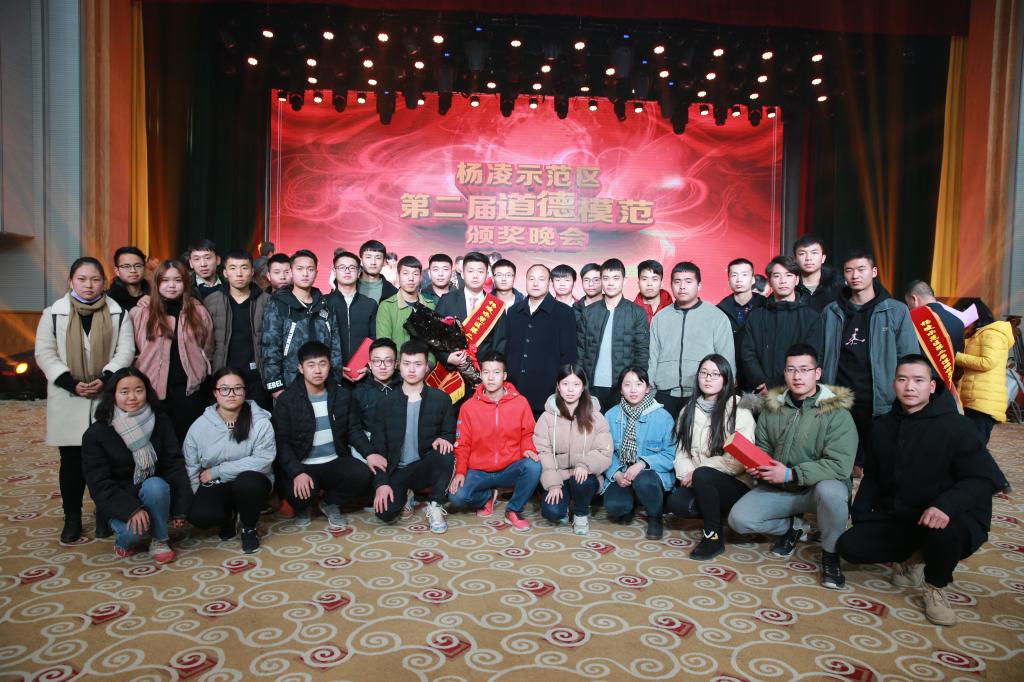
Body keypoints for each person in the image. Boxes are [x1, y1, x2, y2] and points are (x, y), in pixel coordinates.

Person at [837, 355, 997, 625]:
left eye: (918, 380)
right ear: (894, 384)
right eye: (903, 379)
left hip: (952, 518)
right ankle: (915, 558)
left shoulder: (958, 426)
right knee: (850, 546)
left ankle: (936, 585)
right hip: (903, 515)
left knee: (941, 532)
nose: (910, 387)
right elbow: (873, 477)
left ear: (932, 387)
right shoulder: (883, 426)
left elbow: (984, 479)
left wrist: (946, 505)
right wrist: (860, 517)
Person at [728, 344, 857, 590]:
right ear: (784, 373)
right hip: (782, 488)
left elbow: (840, 465)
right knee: (739, 520)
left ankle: (831, 554)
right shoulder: (773, 407)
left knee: (832, 492)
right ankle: (795, 527)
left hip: (816, 490)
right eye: (791, 370)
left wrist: (791, 473)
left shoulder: (836, 412)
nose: (797, 376)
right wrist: (758, 466)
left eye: (804, 370)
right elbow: (764, 447)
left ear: (817, 373)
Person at [35, 257, 136, 543]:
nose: (89, 285)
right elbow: (44, 353)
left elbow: (125, 351)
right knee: (72, 461)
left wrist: (105, 378)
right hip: (68, 395)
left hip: (106, 395)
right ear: (71, 281)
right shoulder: (53, 314)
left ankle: (105, 512)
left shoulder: (118, 313)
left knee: (109, 459)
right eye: (82, 279)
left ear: (103, 282)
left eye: (94, 279)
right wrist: (70, 382)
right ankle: (72, 517)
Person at [821, 250, 917, 474]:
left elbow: (909, 356)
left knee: (882, 466)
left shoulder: (896, 310)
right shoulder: (831, 311)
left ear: (873, 272)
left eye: (861, 269)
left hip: (879, 397)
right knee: (841, 465)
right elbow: (822, 353)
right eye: (849, 270)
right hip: (840, 395)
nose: (855, 275)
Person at [82, 368, 192, 563]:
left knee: (156, 484)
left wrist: (180, 508)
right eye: (124, 392)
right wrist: (131, 510)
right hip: (120, 499)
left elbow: (174, 464)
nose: (132, 397)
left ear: (147, 392)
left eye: (139, 390)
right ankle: (123, 540)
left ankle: (160, 540)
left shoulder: (160, 421)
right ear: (113, 395)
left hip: (153, 492)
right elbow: (99, 484)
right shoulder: (96, 433)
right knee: (134, 533)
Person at [666, 354, 758, 560]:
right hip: (700, 480)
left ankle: (713, 537)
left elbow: (738, 461)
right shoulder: (688, 410)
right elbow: (681, 451)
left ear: (726, 379)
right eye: (704, 373)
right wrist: (688, 473)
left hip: (735, 483)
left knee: (704, 475)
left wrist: (700, 471)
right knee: (677, 502)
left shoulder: (739, 409)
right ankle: (716, 512)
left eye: (715, 374)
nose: (708, 378)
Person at [271, 341, 371, 528]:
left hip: (333, 461)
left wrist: (370, 453)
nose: (317, 370)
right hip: (303, 465)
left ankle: (330, 502)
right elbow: (281, 442)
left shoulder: (342, 395)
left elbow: (353, 430)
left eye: (322, 364)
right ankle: (305, 506)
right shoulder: (287, 400)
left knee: (363, 474)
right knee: (298, 495)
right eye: (311, 365)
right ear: (301, 368)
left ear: (329, 365)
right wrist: (297, 472)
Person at [367, 340, 456, 532]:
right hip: (397, 470)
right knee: (385, 513)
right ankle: (407, 494)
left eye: (418, 364)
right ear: (399, 366)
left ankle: (435, 505)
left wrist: (444, 439)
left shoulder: (441, 399)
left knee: (446, 453)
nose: (412, 370)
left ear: (426, 367)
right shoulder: (385, 403)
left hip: (424, 466)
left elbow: (449, 433)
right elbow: (378, 447)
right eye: (407, 364)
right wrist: (382, 483)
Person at [183, 368, 275, 554]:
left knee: (247, 483)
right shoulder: (199, 426)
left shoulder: (260, 422)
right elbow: (191, 465)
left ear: (245, 391)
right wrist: (195, 498)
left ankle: (249, 528)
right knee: (200, 516)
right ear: (215, 393)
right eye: (224, 389)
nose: (231, 394)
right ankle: (229, 517)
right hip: (217, 484)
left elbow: (262, 461)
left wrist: (217, 471)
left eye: (237, 388)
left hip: (252, 481)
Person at [448, 351, 542, 531]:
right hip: (479, 471)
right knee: (456, 497)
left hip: (509, 468)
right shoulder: (468, 407)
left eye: (496, 372)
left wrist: (527, 449)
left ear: (504, 376)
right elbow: (463, 443)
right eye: (486, 372)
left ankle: (513, 510)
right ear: (481, 374)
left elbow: (528, 433)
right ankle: (487, 496)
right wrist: (460, 471)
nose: (491, 378)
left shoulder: (520, 402)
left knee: (534, 466)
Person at [131, 259, 214, 445]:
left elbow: (207, 346)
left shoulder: (198, 311)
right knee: (156, 442)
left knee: (187, 441)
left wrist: (202, 370)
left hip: (189, 389)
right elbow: (133, 349)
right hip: (152, 389)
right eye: (165, 280)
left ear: (185, 283)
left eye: (177, 280)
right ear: (157, 283)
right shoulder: (142, 312)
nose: (171, 285)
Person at [648, 262, 735, 419]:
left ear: (699, 285)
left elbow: (726, 358)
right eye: (677, 281)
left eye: (688, 281)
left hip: (702, 394)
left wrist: (726, 394)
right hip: (664, 393)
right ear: (671, 285)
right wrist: (651, 391)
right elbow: (652, 357)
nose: (682, 286)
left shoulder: (717, 316)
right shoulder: (660, 318)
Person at [535, 365, 613, 535]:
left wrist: (585, 465)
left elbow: (604, 451)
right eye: (565, 384)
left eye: (576, 384)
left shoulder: (596, 416)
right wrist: (553, 483)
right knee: (552, 512)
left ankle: (580, 513)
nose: (570, 390)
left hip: (585, 477)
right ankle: (565, 505)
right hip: (560, 476)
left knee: (581, 482)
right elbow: (543, 451)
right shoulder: (547, 417)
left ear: (583, 387)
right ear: (558, 386)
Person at [603, 367, 676, 540]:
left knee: (644, 480)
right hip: (623, 472)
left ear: (648, 388)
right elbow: (604, 452)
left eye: (638, 384)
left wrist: (642, 464)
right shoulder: (611, 415)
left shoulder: (663, 417)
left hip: (650, 474)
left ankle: (655, 517)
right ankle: (631, 502)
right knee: (615, 507)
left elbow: (670, 455)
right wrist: (616, 473)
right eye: (627, 384)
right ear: (621, 389)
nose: (633, 390)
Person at [261, 250, 342, 398]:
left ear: (316, 273)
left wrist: (336, 381)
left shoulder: (325, 305)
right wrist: (276, 387)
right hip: (290, 383)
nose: (305, 273)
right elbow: (270, 346)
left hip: (325, 383)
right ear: (291, 272)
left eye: (310, 269)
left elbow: (335, 347)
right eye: (300, 269)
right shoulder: (278, 303)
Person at [740, 256, 823, 395]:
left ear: (797, 280)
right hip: (760, 392)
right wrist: (762, 383)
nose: (783, 281)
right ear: (770, 282)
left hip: (796, 391)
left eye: (788, 275)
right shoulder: (755, 316)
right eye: (777, 276)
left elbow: (811, 357)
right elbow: (748, 354)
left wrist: (774, 386)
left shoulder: (811, 317)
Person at [577, 259, 650, 412]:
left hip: (623, 387)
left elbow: (642, 353)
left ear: (624, 280)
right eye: (606, 278)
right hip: (591, 386)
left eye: (616, 278)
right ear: (601, 280)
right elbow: (580, 351)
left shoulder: (637, 313)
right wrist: (580, 382)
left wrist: (635, 384)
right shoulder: (588, 312)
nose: (610, 283)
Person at [506, 264, 578, 417]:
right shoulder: (513, 312)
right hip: (514, 391)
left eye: (541, 279)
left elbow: (569, 356)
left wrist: (563, 388)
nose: (535, 283)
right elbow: (507, 351)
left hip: (547, 393)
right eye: (531, 279)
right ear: (525, 281)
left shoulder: (564, 313)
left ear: (549, 282)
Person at [956, 311, 1014, 492]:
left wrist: (956, 356)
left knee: (975, 446)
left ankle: (998, 482)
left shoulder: (993, 333)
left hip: (984, 400)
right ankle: (994, 482)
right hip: (977, 397)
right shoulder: (982, 334)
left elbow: (987, 362)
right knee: (973, 444)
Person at [204, 250, 271, 409]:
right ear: (225, 273)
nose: (239, 273)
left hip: (257, 377)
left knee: (258, 419)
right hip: (223, 376)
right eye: (233, 268)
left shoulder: (267, 301)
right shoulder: (212, 301)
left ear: (252, 271)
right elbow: (206, 342)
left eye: (244, 268)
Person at [435, 251, 508, 367]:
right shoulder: (446, 301)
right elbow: (434, 335)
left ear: (487, 275)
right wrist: (447, 357)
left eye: (480, 271)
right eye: (470, 271)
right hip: (452, 372)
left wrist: (489, 370)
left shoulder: (496, 306)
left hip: (484, 372)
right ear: (462, 274)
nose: (475, 276)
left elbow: (499, 344)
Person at [349, 339, 402, 466]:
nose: (382, 366)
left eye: (388, 361)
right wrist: (369, 453)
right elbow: (353, 429)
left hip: (400, 445)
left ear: (395, 364)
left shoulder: (405, 388)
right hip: (369, 446)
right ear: (370, 364)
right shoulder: (359, 393)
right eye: (377, 361)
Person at [718, 258, 766, 389]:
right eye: (734, 275)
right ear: (728, 280)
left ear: (753, 279)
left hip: (761, 374)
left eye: (744, 274)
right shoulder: (719, 310)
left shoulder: (766, 306)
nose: (739, 279)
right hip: (731, 375)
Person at [327, 249, 378, 375]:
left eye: (352, 267)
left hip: (362, 372)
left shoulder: (370, 304)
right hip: (331, 373)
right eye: (342, 267)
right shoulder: (324, 303)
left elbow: (374, 338)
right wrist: (334, 367)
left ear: (359, 271)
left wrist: (367, 367)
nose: (347, 271)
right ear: (334, 271)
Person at [376, 255, 435, 348]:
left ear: (421, 277)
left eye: (415, 274)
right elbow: (384, 345)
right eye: (406, 273)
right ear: (398, 276)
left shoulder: (430, 305)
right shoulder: (386, 306)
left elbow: (434, 344)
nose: (411, 278)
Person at [904, 280, 965, 354]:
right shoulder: (958, 322)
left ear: (914, 299)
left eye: (908, 303)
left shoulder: (909, 320)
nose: (908, 307)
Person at [794, 235, 843, 312]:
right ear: (795, 259)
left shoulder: (838, 287)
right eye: (802, 254)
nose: (808, 258)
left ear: (823, 258)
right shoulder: (788, 286)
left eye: (814, 253)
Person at [108, 246, 151, 312]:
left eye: (138, 266)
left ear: (144, 268)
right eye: (126, 266)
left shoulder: (154, 296)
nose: (133, 270)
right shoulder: (108, 298)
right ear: (117, 271)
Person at [634, 259, 672, 324]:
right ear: (638, 283)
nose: (649, 284)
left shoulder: (673, 310)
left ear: (661, 283)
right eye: (644, 279)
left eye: (654, 279)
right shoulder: (630, 312)